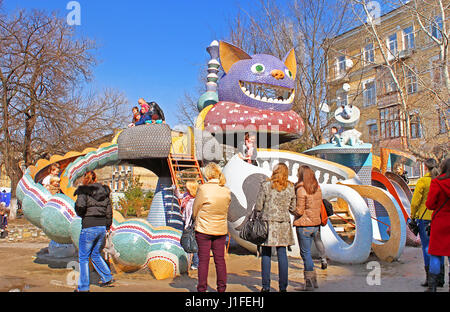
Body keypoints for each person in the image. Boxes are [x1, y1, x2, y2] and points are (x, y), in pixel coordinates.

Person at [254, 163, 296, 292]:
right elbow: (293, 208)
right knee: (282, 254)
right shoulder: (290, 187)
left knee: (266, 254)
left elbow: (259, 206)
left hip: (267, 223)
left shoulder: (266, 185)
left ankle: (266, 286)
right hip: (283, 224)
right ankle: (283, 287)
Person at [192, 163, 231, 292]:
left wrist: (194, 218)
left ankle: (202, 288)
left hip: (204, 228)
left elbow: (195, 209)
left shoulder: (203, 189)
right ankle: (221, 288)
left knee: (203, 261)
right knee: (220, 260)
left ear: (207, 174)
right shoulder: (226, 190)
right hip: (220, 229)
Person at [74, 171, 115, 292]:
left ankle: (83, 287)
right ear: (96, 178)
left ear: (85, 179)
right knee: (95, 253)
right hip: (101, 227)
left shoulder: (83, 190)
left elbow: (80, 206)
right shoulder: (104, 192)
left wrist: (82, 215)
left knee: (83, 258)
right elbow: (109, 211)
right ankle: (107, 277)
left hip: (89, 226)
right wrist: (107, 226)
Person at [410, 158, 440, 287]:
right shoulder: (440, 181)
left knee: (427, 248)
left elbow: (415, 202)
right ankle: (440, 278)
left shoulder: (423, 181)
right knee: (440, 248)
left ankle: (430, 279)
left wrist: (413, 216)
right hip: (439, 218)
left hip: (425, 218)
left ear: (425, 167)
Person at [293, 165, 323, 291]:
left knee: (306, 254)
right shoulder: (318, 188)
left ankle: (309, 283)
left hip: (304, 225)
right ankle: (314, 281)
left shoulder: (301, 189)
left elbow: (299, 211)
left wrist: (291, 210)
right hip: (316, 224)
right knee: (309, 253)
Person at [425, 158, 450, 292]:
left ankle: (433, 286)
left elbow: (430, 205)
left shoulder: (436, 183)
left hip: (440, 222)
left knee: (435, 254)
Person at [174, 181, 199, 270]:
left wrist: (187, 226)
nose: (186, 190)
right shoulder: (186, 196)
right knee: (187, 241)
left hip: (189, 223)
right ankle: (190, 261)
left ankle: (195, 263)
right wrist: (176, 189)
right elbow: (179, 196)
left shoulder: (193, 200)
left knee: (191, 242)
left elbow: (190, 214)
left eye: (187, 188)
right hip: (185, 221)